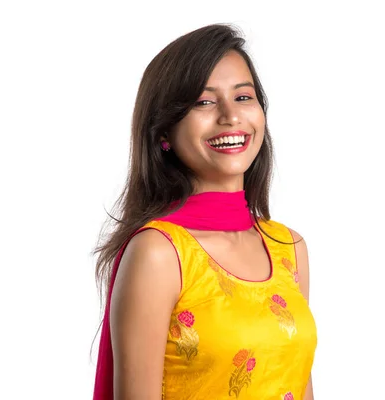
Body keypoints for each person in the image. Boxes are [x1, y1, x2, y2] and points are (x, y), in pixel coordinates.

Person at [92, 24, 317, 400]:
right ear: (163, 132)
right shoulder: (159, 253)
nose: (231, 117)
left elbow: (296, 383)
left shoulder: (289, 248)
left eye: (243, 97)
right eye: (204, 102)